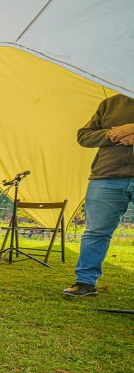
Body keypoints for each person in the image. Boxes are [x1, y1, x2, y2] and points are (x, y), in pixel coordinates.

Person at [63, 94, 134, 298]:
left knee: (96, 233)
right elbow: (83, 136)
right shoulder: (110, 103)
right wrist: (114, 134)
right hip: (106, 176)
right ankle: (85, 282)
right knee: (96, 232)